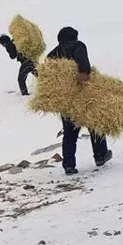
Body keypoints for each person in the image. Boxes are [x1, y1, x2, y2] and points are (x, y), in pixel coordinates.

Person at [47, 26, 113, 175]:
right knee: (94, 123)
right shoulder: (78, 45)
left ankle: (69, 165)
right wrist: (84, 72)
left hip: (65, 99)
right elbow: (83, 63)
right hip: (81, 94)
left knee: (70, 133)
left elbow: (47, 77)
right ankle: (100, 155)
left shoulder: (53, 54)